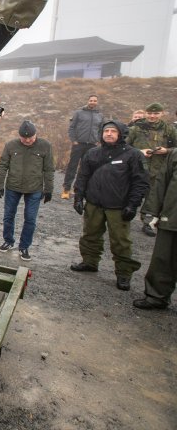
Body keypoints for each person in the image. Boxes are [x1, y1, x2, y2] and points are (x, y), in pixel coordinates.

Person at [70, 121, 148, 291]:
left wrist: (133, 204)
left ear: (121, 134)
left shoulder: (132, 155)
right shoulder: (93, 153)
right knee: (90, 235)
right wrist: (78, 197)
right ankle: (89, 262)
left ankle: (123, 273)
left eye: (113, 131)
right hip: (94, 203)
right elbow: (83, 176)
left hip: (118, 206)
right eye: (106, 131)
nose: (109, 134)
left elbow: (140, 182)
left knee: (121, 241)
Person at [0, 120, 54, 260]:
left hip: (35, 189)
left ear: (36, 134)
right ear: (19, 135)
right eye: (24, 138)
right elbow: (3, 165)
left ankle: (24, 247)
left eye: (31, 137)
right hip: (13, 187)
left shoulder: (45, 146)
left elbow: (49, 169)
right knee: (8, 215)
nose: (27, 140)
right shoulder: (10, 145)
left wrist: (49, 189)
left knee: (30, 219)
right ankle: (8, 241)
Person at [134, 148, 177, 309]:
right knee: (163, 259)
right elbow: (161, 183)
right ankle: (156, 296)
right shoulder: (174, 155)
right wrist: (152, 212)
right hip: (172, 216)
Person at [126, 102, 176, 236]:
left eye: (156, 113)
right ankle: (121, 217)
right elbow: (123, 146)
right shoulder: (136, 128)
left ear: (162, 113)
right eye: (149, 113)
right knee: (128, 193)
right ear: (146, 113)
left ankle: (147, 222)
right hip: (135, 168)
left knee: (152, 198)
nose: (152, 116)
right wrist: (139, 151)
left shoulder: (169, 129)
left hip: (157, 171)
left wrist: (167, 150)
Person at [61, 95, 102, 199]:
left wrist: (98, 140)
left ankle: (78, 189)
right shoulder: (79, 113)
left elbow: (101, 129)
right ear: (88, 101)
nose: (93, 102)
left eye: (95, 101)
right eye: (91, 100)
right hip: (79, 144)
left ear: (97, 102)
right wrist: (74, 140)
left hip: (92, 145)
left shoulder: (100, 115)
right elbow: (72, 127)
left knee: (85, 168)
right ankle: (66, 189)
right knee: (72, 166)